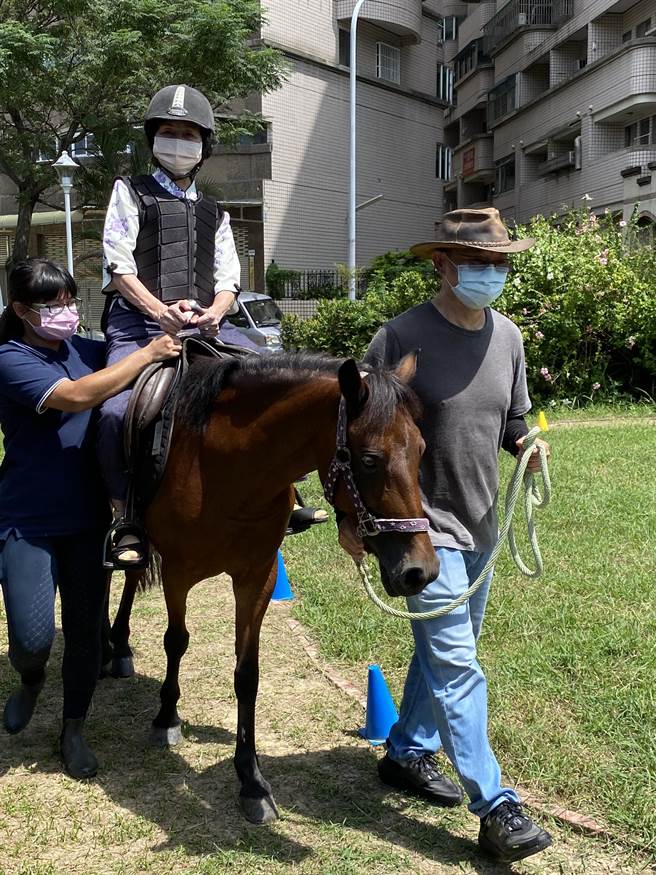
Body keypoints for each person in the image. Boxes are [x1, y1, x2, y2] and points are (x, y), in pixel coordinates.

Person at [338, 208, 553, 865]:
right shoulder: (400, 337)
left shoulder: (508, 337)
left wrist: (527, 445)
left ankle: (406, 751)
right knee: (459, 664)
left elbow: (512, 418)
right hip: (422, 532)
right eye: (477, 262)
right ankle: (497, 807)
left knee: (446, 654)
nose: (492, 272)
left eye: (499, 262)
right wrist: (350, 519)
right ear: (442, 264)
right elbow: (354, 435)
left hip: (482, 523)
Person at [100, 84, 324, 565]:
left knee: (275, 385)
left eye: (189, 135)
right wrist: (159, 312)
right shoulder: (129, 192)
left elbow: (228, 279)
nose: (179, 142)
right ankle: (125, 517)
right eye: (169, 132)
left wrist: (216, 313)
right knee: (115, 413)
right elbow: (119, 267)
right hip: (140, 326)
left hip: (205, 326)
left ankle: (286, 494)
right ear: (152, 139)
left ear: (204, 145)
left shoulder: (214, 211)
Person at [0, 258, 179, 778]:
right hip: (28, 519)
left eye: (69, 301)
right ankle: (31, 679)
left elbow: (135, 377)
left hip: (88, 521)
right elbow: (77, 397)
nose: (66, 312)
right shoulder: (9, 357)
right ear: (21, 311)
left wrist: (177, 328)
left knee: (85, 634)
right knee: (32, 641)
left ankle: (73, 728)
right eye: (52, 305)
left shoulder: (87, 350)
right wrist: (146, 352)